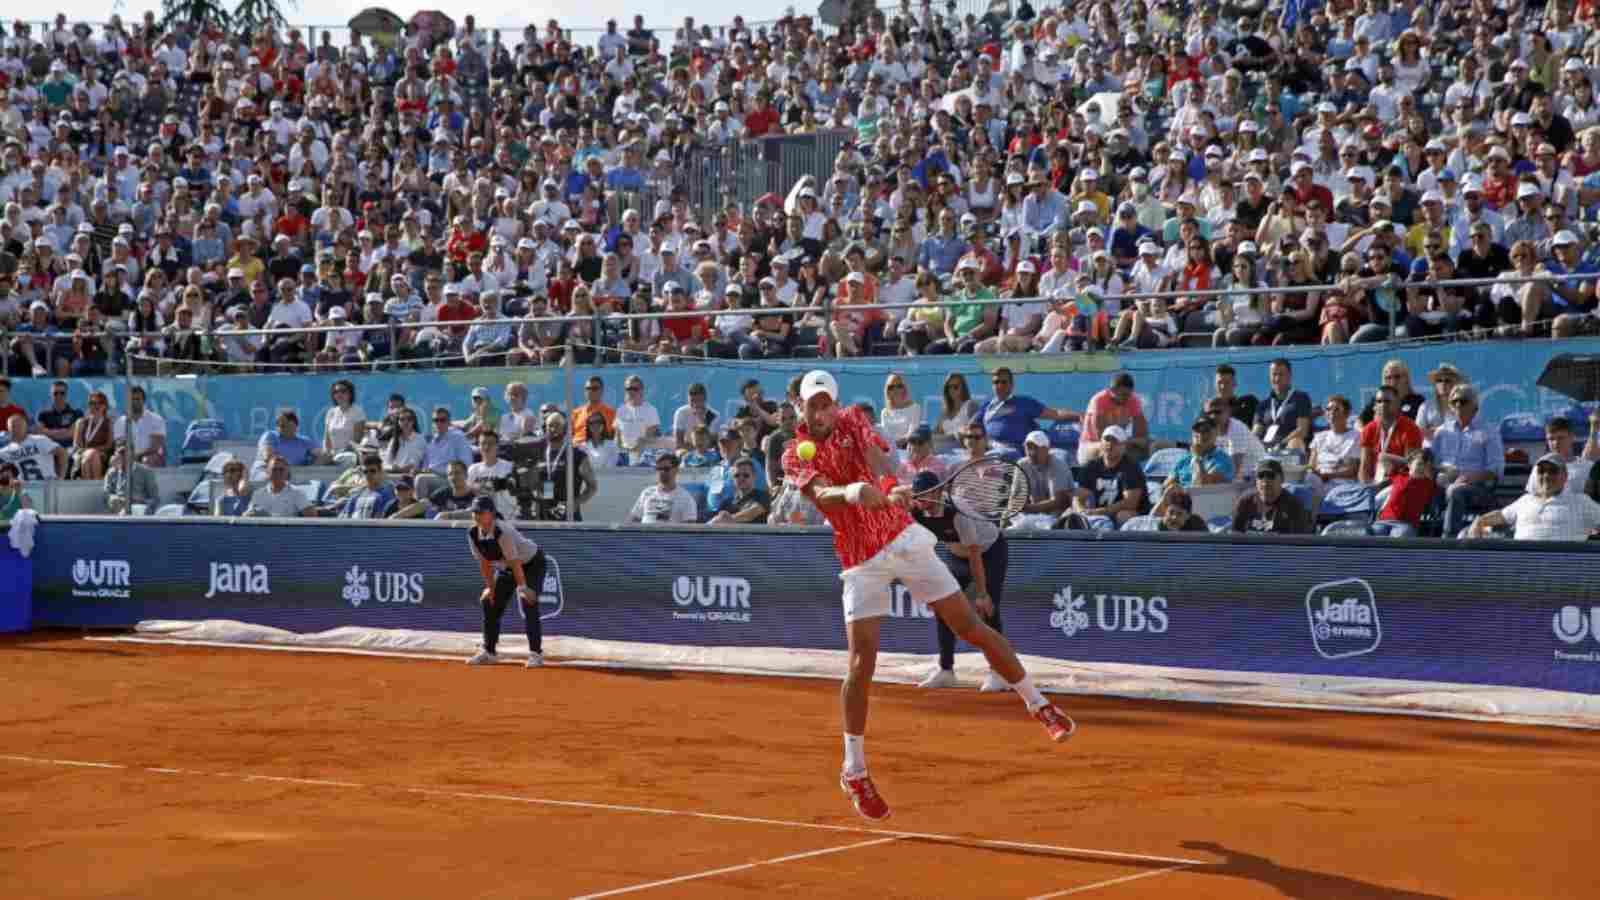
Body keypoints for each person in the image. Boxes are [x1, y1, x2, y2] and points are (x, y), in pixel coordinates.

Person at [781, 369, 1074, 822]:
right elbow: (824, 495)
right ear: (799, 404)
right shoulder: (792, 455)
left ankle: (1040, 704)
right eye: (812, 404)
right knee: (861, 666)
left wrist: (890, 482)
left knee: (970, 627)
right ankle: (854, 770)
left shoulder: (854, 419)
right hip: (860, 558)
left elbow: (877, 459)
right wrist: (853, 492)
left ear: (836, 404)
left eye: (826, 403)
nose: (821, 412)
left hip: (903, 539)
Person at [908, 470, 1011, 692]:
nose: (922, 500)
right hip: (956, 554)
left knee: (988, 610)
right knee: (943, 605)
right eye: (918, 495)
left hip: (989, 552)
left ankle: (1000, 673)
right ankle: (946, 671)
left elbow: (975, 556)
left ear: (938, 491)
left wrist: (982, 594)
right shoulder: (916, 512)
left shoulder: (958, 512)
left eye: (926, 494)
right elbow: (920, 551)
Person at [466, 495, 550, 667]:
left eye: (480, 512)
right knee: (489, 602)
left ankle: (536, 654)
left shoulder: (503, 532)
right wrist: (490, 588)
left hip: (531, 564)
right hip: (508, 568)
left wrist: (523, 587)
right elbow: (485, 563)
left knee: (528, 601)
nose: (476, 516)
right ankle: (489, 652)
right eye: (474, 512)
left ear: (491, 514)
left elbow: (515, 562)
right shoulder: (473, 533)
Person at [1427, 383, 1504, 538]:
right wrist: (1439, 472)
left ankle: (1448, 540)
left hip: (1475, 487)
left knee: (1457, 491)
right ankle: (1407, 542)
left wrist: (1469, 477)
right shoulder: (1441, 432)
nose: (1457, 405)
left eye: (1462, 401)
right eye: (1453, 402)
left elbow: (1496, 470)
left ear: (1475, 407)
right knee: (1413, 486)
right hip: (1444, 483)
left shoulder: (1488, 431)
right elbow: (1432, 464)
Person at [1468, 454, 1600, 541]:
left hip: (1563, 570)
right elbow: (1501, 516)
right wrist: (1479, 522)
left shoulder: (1580, 502)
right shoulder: (1525, 501)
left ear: (1565, 476)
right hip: (1522, 568)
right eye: (1541, 471)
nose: (1546, 476)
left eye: (1553, 471)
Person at [975, 367, 1081, 452]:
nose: (999, 385)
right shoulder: (986, 406)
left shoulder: (1023, 402)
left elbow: (1055, 414)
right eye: (996, 382)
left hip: (1016, 452)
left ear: (1011, 385)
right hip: (990, 450)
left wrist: (1080, 416)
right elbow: (971, 426)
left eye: (1004, 382)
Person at [1072, 426, 1149, 528]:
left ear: (1123, 446)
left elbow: (1130, 502)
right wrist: (1081, 511)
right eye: (1106, 440)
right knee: (1070, 514)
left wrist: (1103, 512)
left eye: (1115, 442)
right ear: (1101, 443)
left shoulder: (1131, 468)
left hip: (1131, 513)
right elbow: (1078, 497)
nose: (1109, 444)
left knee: (1122, 516)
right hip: (1099, 513)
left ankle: (1123, 543)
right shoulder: (1091, 466)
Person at [1358, 385, 1425, 486]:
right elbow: (1364, 468)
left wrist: (1390, 461)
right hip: (1373, 484)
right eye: (1379, 401)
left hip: (1400, 483)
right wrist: (1366, 486)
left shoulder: (1410, 428)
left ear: (1398, 403)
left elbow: (1411, 466)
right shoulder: (1368, 429)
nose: (1383, 405)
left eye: (1387, 401)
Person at [1079, 372, 1149, 464]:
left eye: (1128, 395)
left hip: (1119, 445)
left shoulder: (1133, 400)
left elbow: (1141, 437)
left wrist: (1133, 441)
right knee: (1108, 449)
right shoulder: (1099, 400)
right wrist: (1126, 442)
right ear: (1112, 391)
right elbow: (1102, 438)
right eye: (1123, 395)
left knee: (1149, 447)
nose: (1126, 399)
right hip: (1091, 445)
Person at [1231, 458, 1314, 534]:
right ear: (1256, 480)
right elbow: (1235, 534)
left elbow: (1299, 543)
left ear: (1282, 479)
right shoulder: (1245, 501)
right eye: (1260, 476)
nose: (1265, 481)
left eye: (1270, 476)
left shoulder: (1294, 506)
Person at [1369, 449, 1438, 538]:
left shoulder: (1429, 484)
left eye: (1425, 466)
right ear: (1409, 464)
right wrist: (1409, 460)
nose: (1422, 468)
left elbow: (1442, 474)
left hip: (1406, 524)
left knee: (1399, 537)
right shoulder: (1399, 476)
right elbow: (1382, 457)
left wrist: (1430, 466)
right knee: (1371, 534)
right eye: (1419, 464)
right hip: (1384, 520)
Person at [1253, 358, 1312, 454]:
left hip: (1287, 447)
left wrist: (1281, 444)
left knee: (1295, 442)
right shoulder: (1263, 405)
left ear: (1289, 376)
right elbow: (1256, 431)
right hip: (1266, 448)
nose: (1277, 378)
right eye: (1274, 374)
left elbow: (1302, 430)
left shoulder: (1301, 398)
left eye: (1281, 374)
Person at [629, 453, 699, 523]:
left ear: (676, 470)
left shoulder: (686, 498)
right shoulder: (647, 492)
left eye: (666, 469)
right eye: (659, 469)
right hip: (643, 533)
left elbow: (689, 527)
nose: (661, 472)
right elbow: (634, 520)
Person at [112, 385, 166, 468]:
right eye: (132, 399)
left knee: (146, 460)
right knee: (115, 460)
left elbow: (155, 447)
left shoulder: (156, 419)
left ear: (143, 401)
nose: (134, 402)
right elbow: (119, 445)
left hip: (150, 456)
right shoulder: (120, 422)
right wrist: (128, 456)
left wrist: (137, 456)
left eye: (137, 399)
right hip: (127, 457)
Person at [0, 413, 65, 480]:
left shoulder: (39, 440)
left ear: (25, 426)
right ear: (8, 428)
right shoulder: (7, 449)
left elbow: (62, 453)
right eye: (13, 426)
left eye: (19, 426)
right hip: (26, 488)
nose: (17, 429)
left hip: (47, 484)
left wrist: (61, 477)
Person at [708, 457, 771, 525]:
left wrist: (728, 519)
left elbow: (751, 514)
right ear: (732, 478)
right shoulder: (727, 503)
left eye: (746, 475)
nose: (741, 478)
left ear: (754, 476)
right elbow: (717, 521)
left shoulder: (763, 496)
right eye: (737, 475)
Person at [614, 373, 662, 462]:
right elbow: (617, 437)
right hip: (623, 455)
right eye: (628, 389)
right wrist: (621, 453)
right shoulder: (621, 410)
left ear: (641, 390)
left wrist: (633, 453)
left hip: (644, 457)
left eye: (635, 389)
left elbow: (648, 438)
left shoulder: (651, 410)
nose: (631, 392)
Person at [245, 458, 313, 517]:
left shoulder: (297, 493)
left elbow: (312, 517)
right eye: (274, 469)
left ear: (287, 472)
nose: (277, 472)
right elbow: (247, 515)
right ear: (268, 472)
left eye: (281, 470)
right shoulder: (258, 494)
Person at [103, 441, 159, 513]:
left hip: (140, 510)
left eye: (124, 452)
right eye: (119, 453)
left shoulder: (146, 472)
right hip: (119, 510)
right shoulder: (111, 473)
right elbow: (106, 495)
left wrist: (141, 501)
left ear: (133, 453)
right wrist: (116, 499)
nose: (122, 456)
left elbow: (155, 498)